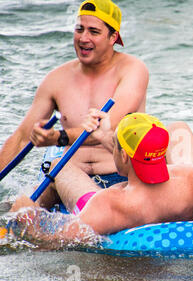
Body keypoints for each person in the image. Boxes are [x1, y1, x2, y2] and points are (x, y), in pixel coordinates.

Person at [0, 0, 149, 207]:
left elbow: (106, 128)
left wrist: (56, 137)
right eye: (79, 29)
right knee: (18, 208)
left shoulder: (132, 69)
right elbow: (20, 138)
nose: (83, 38)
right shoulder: (56, 79)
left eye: (94, 31)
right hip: (67, 178)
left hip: (117, 176)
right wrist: (37, 135)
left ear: (113, 37)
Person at [8, 112, 193, 243]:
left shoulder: (108, 203)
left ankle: (21, 209)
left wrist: (27, 219)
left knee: (58, 165)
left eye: (114, 145)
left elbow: (60, 240)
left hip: (105, 213)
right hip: (143, 203)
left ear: (124, 155)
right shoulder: (188, 179)